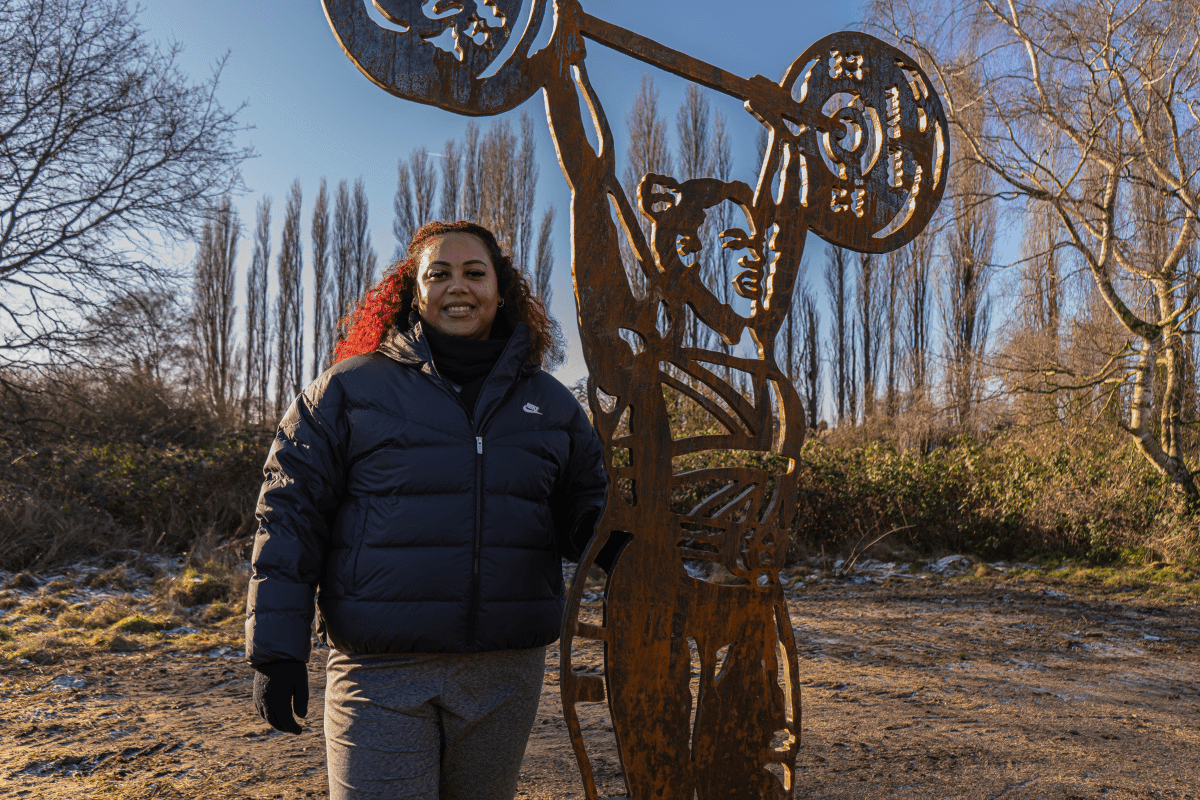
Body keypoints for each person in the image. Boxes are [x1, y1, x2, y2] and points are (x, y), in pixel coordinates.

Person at [244, 220, 608, 800]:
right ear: (414, 291)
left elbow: (584, 509)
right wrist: (276, 650)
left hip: (503, 674)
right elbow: (289, 518)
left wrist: (611, 539)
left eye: (474, 272)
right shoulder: (346, 392)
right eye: (438, 274)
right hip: (380, 669)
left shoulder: (551, 403)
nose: (456, 286)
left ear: (501, 289)